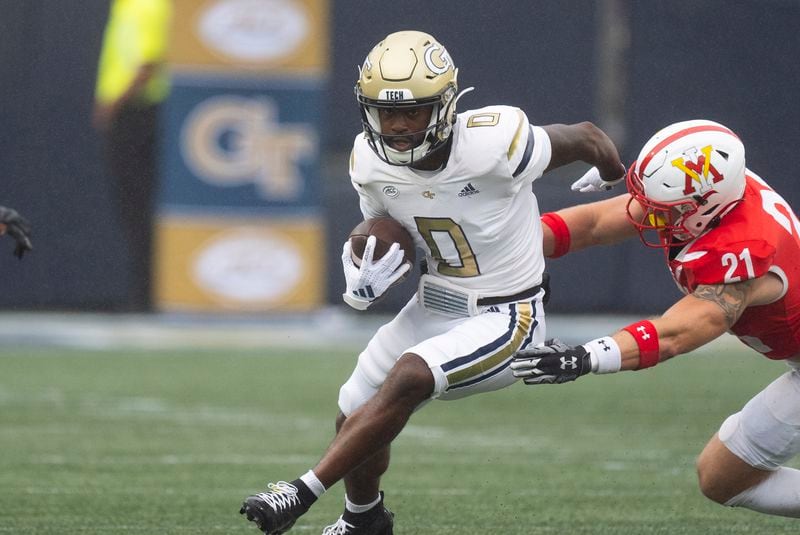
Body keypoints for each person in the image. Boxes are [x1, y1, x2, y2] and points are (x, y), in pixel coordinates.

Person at [239, 30, 626, 534]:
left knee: (410, 375)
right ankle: (364, 520)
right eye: (385, 112)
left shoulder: (495, 143)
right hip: (434, 301)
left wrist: (612, 173)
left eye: (413, 112)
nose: (397, 126)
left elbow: (588, 135)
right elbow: (383, 233)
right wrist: (362, 277)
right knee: (353, 411)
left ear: (444, 107)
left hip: (508, 314)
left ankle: (299, 491)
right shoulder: (368, 162)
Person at [511, 119, 800, 518]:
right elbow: (594, 226)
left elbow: (675, 335)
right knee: (722, 478)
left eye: (666, 208)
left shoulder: (744, 249)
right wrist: (500, 252)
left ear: (706, 204)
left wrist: (586, 357)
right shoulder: (715, 194)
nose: (648, 214)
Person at [93, 0, 172, 312]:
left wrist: (114, 103)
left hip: (140, 112)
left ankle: (147, 296)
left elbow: (148, 63)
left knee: (140, 207)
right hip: (129, 112)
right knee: (131, 207)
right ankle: (141, 293)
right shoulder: (128, 5)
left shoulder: (149, 5)